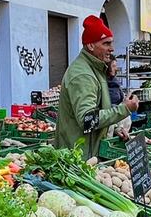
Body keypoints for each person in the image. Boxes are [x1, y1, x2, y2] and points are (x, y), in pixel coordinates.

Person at [54, 16, 138, 159]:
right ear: (91, 45)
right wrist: (124, 109)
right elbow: (87, 120)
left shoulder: (95, 68)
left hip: (87, 152)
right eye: (106, 43)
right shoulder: (83, 75)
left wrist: (113, 128)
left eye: (111, 43)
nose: (111, 48)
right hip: (79, 157)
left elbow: (98, 108)